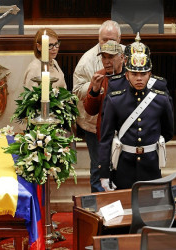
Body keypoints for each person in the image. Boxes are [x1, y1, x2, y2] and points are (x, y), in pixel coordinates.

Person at [99, 42, 174, 191]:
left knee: (150, 209)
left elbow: (168, 132)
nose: (139, 78)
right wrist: (104, 174)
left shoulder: (161, 100)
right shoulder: (115, 101)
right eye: (134, 74)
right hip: (123, 166)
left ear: (149, 74)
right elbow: (106, 139)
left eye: (143, 74)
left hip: (151, 165)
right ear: (127, 75)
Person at [72, 20, 123, 193]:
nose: (107, 43)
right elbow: (77, 90)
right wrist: (95, 88)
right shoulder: (87, 60)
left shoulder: (128, 56)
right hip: (94, 124)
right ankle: (98, 210)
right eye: (104, 39)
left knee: (120, 167)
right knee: (99, 167)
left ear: (120, 39)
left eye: (112, 39)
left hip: (123, 128)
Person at [83, 40, 125, 140]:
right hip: (105, 136)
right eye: (104, 57)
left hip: (127, 135)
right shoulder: (99, 76)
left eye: (111, 57)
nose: (106, 62)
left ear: (122, 58)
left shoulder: (131, 77)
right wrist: (94, 91)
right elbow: (90, 111)